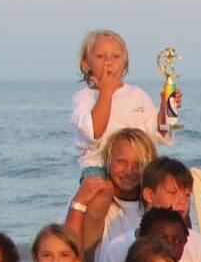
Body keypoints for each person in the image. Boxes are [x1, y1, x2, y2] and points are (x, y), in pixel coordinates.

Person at [70, 29, 170, 181]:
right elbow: (93, 133)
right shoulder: (84, 97)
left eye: (116, 56)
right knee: (100, 192)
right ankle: (79, 205)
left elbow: (158, 133)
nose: (109, 62)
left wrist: (165, 106)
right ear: (86, 65)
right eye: (100, 56)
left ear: (125, 64)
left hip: (136, 168)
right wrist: (106, 92)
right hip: (99, 169)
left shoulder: (137, 95)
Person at [66, 127, 159, 262]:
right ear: (108, 162)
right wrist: (79, 201)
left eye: (137, 164)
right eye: (121, 162)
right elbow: (66, 249)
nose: (129, 170)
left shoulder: (155, 204)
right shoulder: (95, 199)